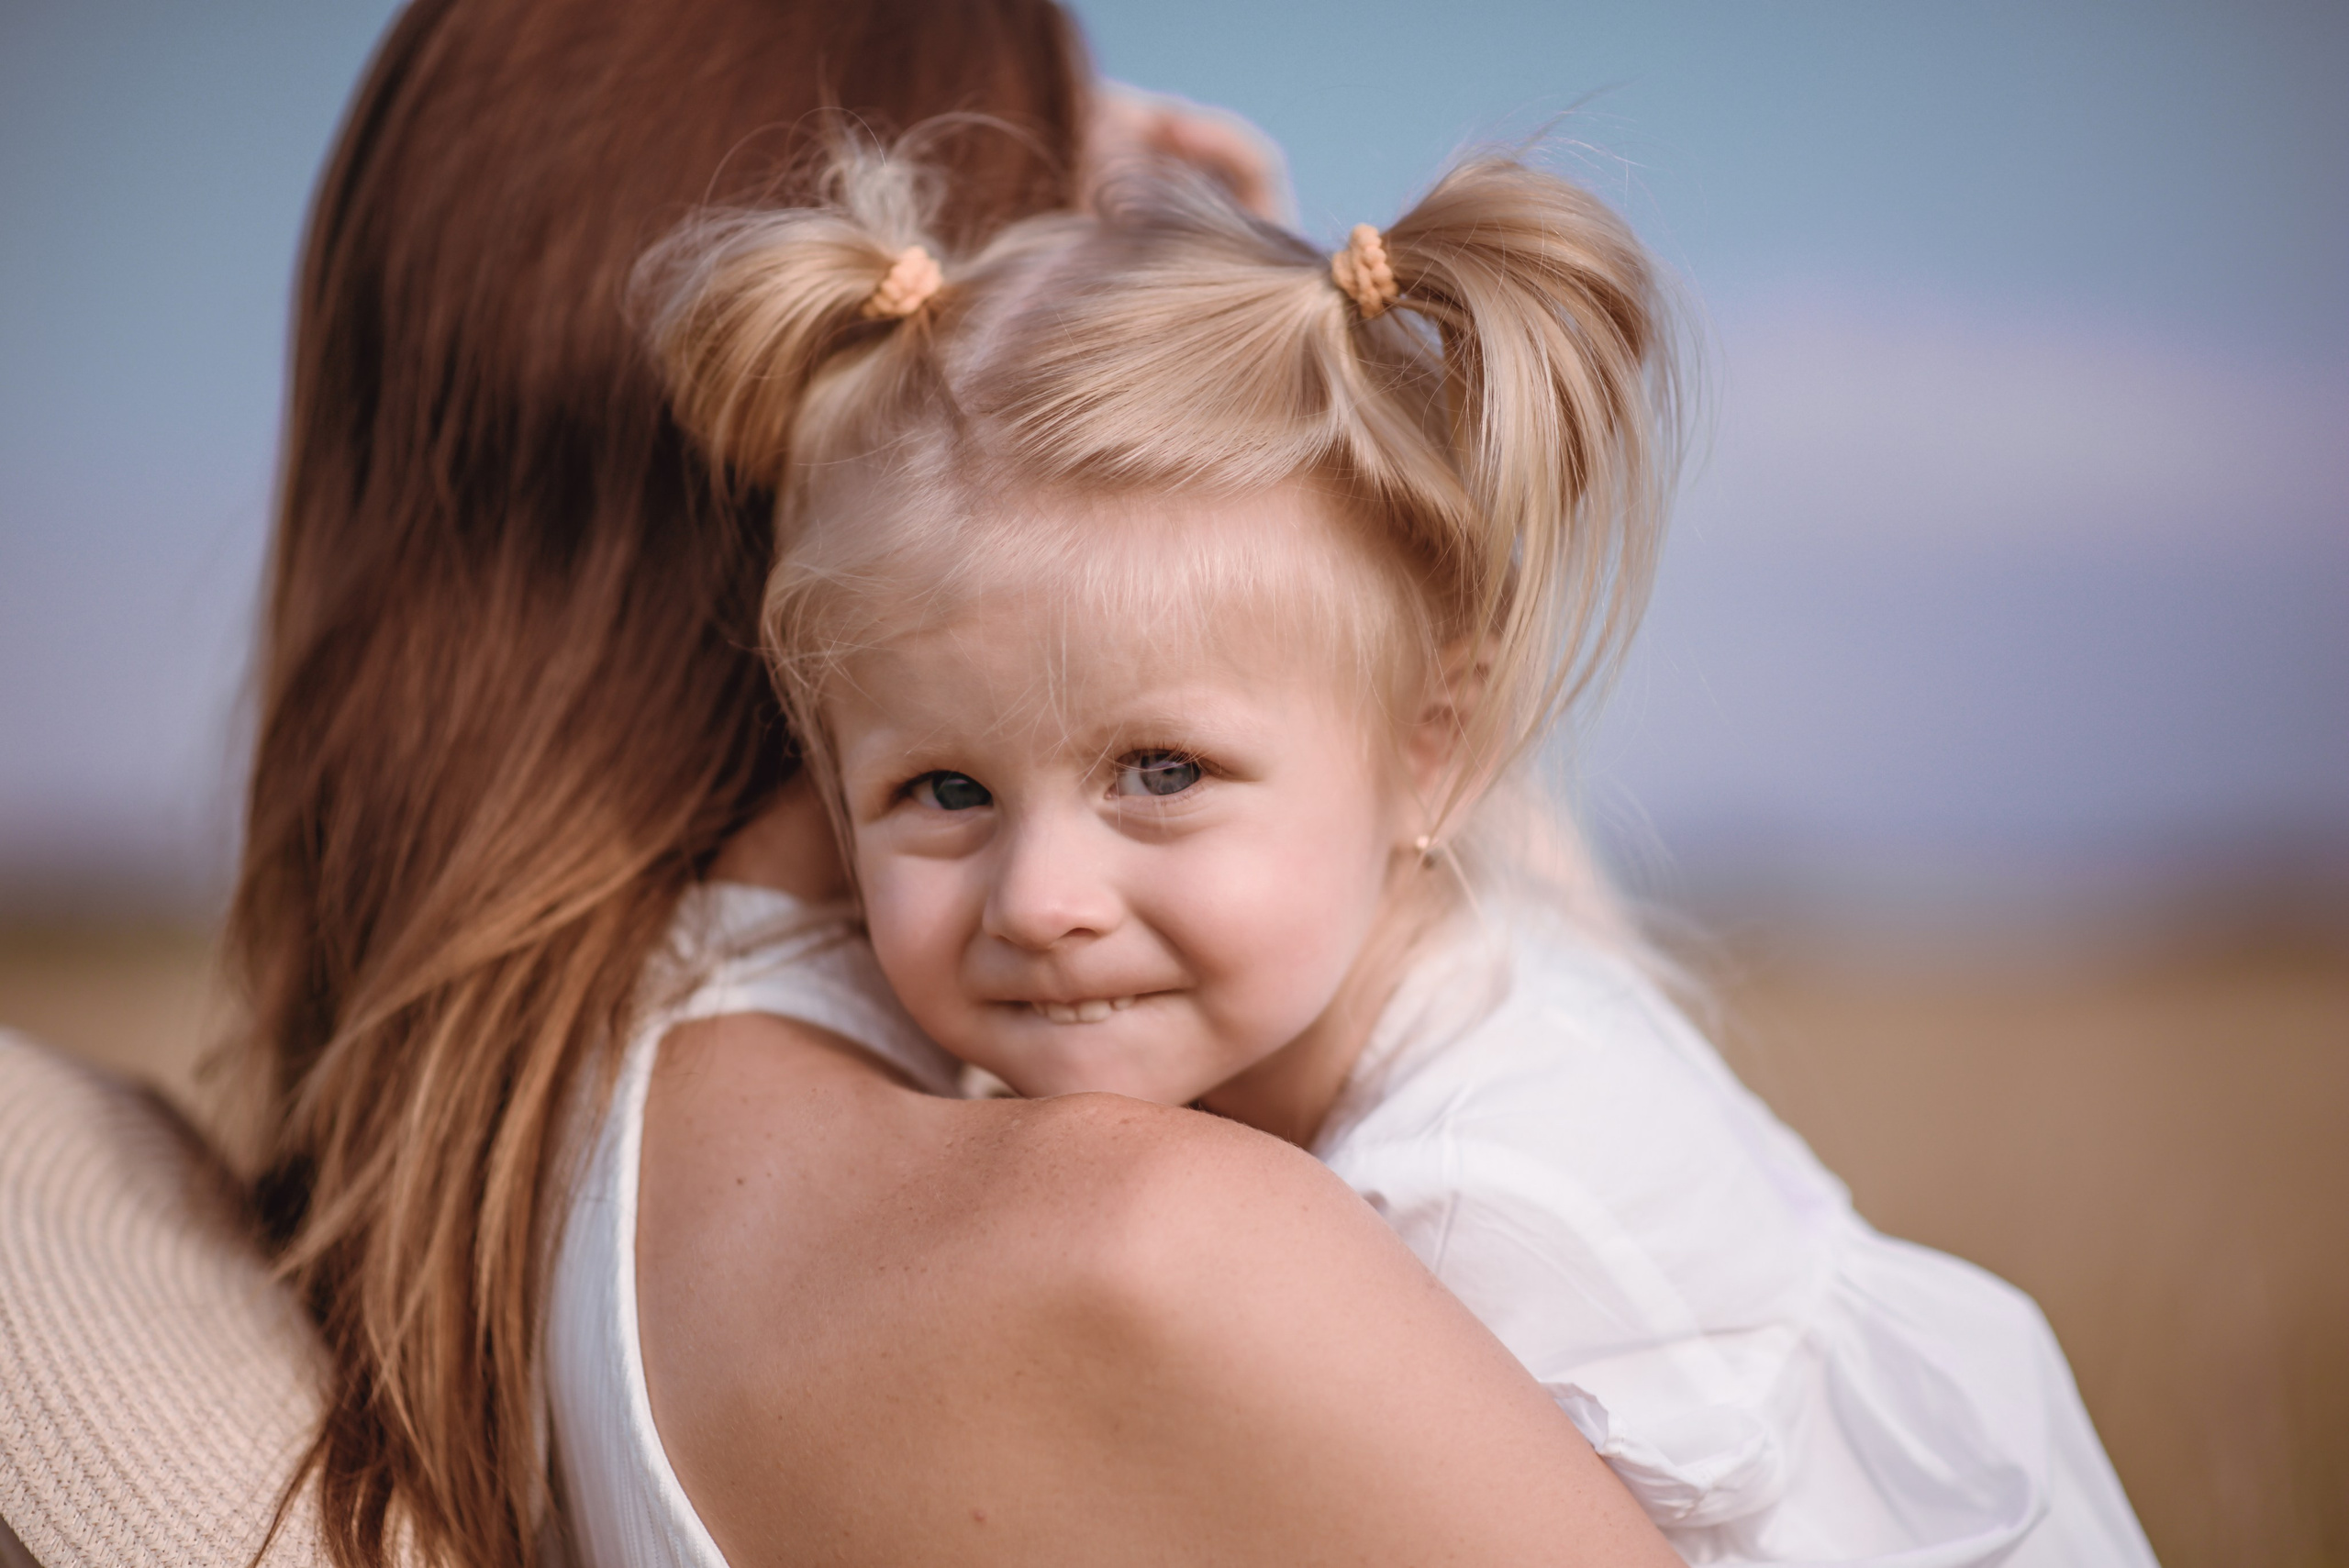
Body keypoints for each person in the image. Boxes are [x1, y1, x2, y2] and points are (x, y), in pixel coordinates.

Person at [226, 2, 1678, 1564]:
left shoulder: (490, 1157)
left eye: (1159, 767)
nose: (1049, 899)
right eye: (1078, 209)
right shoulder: (1154, 1241)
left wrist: (1250, 421)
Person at [639, 142, 2163, 1564]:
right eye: (943, 787)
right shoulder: (1391, 950)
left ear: (1433, 753)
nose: (1041, 899)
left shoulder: (1466, 1204)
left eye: (1161, 771)